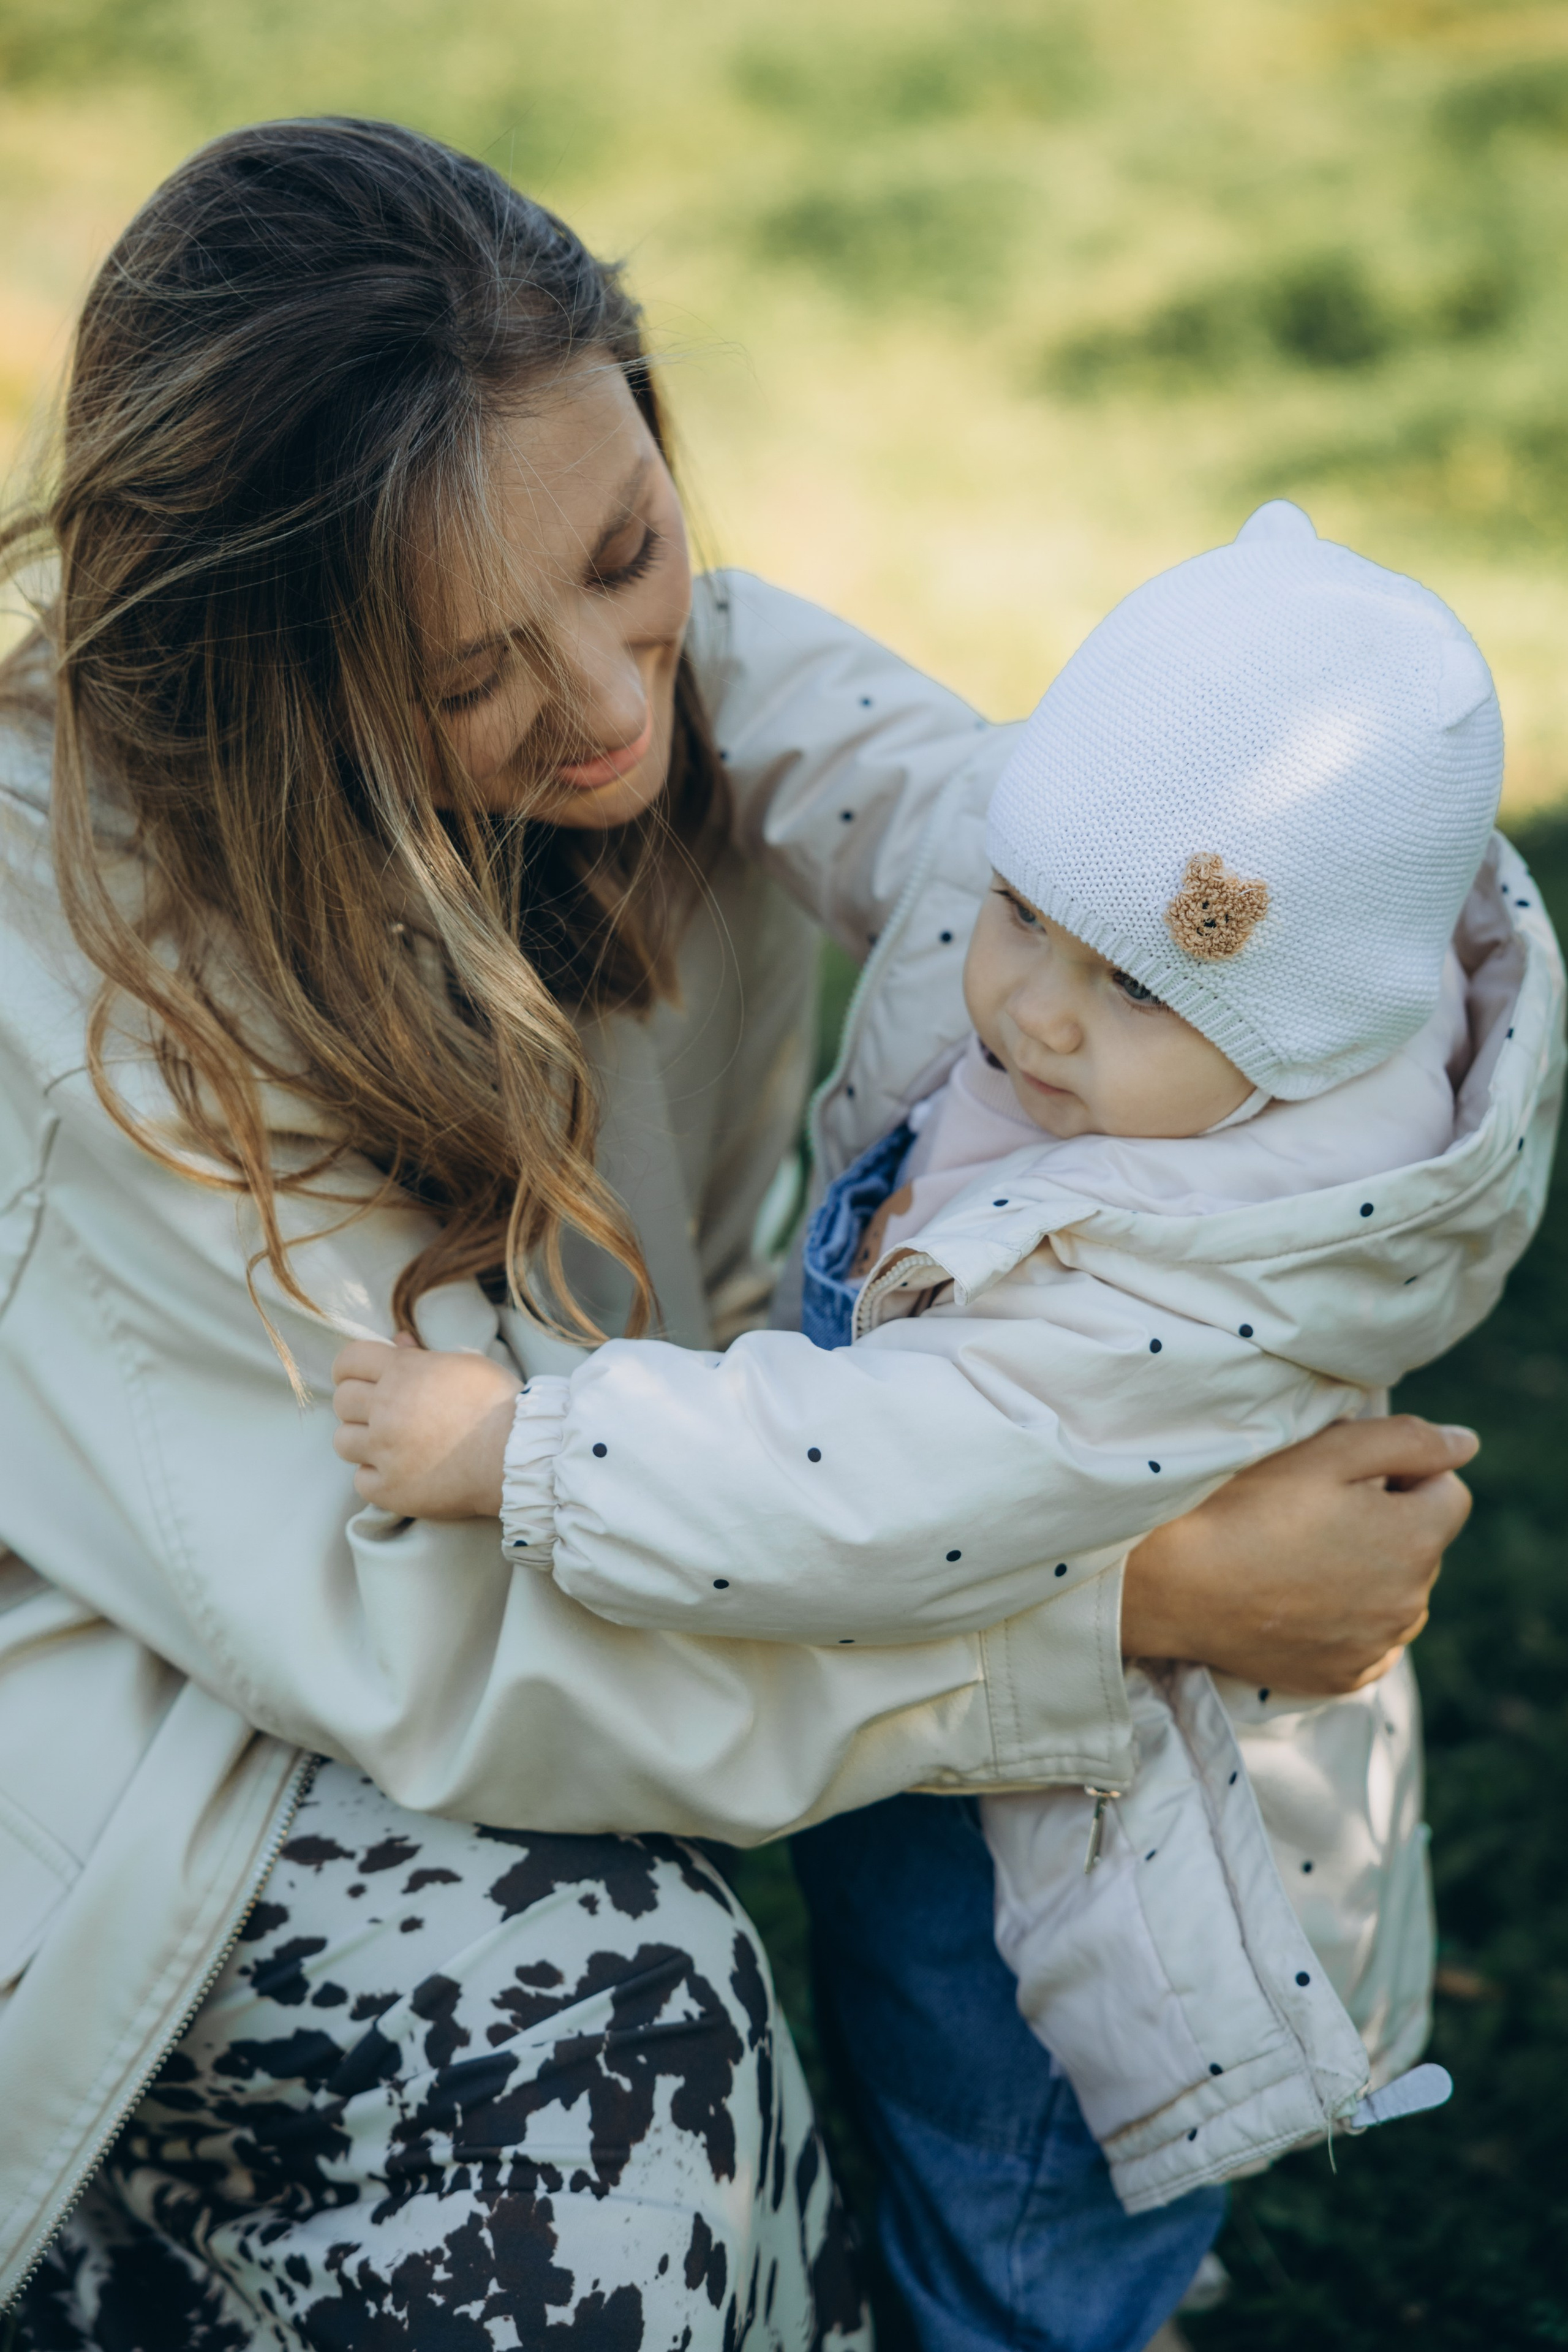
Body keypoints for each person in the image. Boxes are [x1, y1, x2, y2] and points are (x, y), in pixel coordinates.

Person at [0, 118, 1477, 2352]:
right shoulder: (74, 970)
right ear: (262, 678)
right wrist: (1136, 1597)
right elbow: (435, 1640)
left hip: (564, 1553)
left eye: (629, 551)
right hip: (158, 1760)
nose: (608, 704)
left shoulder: (662, 751)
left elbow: (1021, 834)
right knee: (634, 2040)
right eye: (474, 669)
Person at [338, 502, 1563, 2332]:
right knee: (920, 2101)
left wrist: (521, 1446)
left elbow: (868, 1488)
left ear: (1310, 1039)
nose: (1036, 1014)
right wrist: (662, 639)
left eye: (1137, 987)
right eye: (1022, 916)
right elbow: (891, 767)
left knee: (1003, 2219)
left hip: (1074, 1898)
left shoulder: (1197, 1274)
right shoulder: (1102, 916)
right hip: (954, 1770)